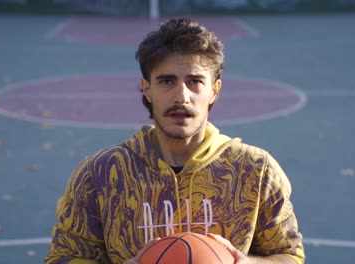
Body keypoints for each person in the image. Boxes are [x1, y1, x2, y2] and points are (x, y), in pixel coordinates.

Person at [45, 18, 305, 264]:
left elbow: (289, 255)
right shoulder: (101, 173)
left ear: (214, 90)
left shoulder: (256, 170)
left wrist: (246, 262)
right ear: (147, 88)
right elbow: (62, 257)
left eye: (195, 82)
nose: (182, 96)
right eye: (167, 81)